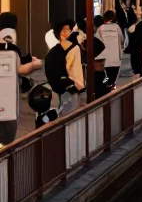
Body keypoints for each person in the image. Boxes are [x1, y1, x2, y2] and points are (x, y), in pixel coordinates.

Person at [0, 12, 41, 143]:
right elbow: (21, 69)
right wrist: (34, 65)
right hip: (10, 106)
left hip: (8, 104)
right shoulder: (13, 49)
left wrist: (28, 59)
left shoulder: (12, 50)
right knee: (8, 140)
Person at [44, 19, 85, 113]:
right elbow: (75, 70)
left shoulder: (52, 52)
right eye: (69, 29)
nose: (71, 31)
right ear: (62, 32)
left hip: (58, 90)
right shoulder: (74, 48)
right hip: (72, 89)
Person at [96, 10, 124, 90]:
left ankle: (107, 90)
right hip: (116, 59)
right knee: (113, 79)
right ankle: (112, 88)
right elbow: (122, 40)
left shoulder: (100, 29)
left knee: (106, 79)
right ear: (113, 17)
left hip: (105, 60)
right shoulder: (117, 27)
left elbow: (97, 42)